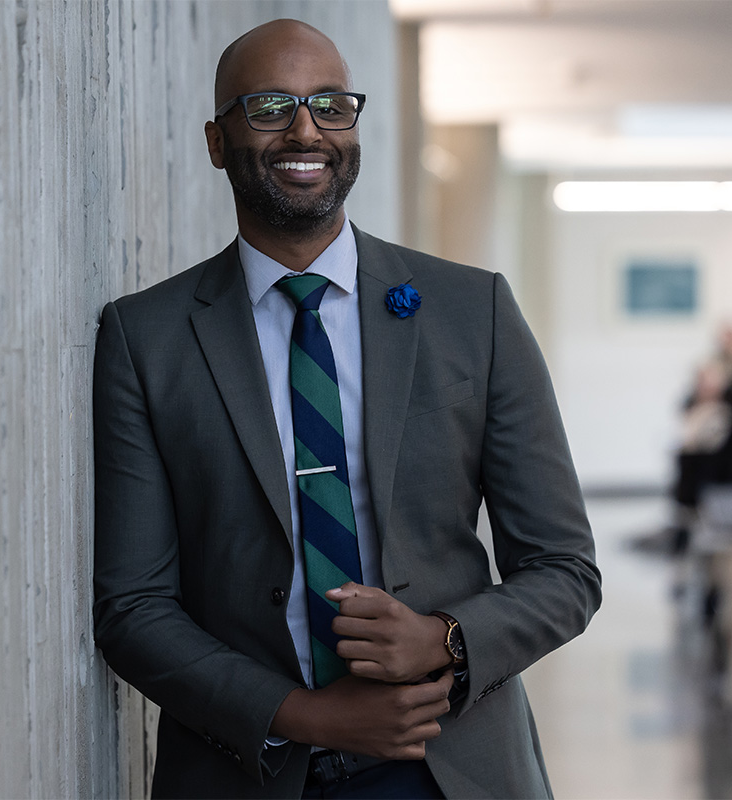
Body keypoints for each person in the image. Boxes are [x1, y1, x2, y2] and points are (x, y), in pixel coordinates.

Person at [92, 19, 601, 800]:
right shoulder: (147, 338)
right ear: (216, 139)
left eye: (332, 104)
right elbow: (133, 608)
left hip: (450, 765)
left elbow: (565, 569)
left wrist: (445, 639)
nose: (307, 129)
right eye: (270, 106)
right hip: (248, 768)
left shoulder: (474, 312)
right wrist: (304, 716)